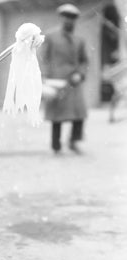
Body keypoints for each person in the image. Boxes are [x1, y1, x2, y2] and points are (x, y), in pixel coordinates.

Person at [42, 4, 89, 154]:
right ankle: (56, 145)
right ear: (61, 17)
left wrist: (80, 74)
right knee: (57, 115)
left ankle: (74, 142)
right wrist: (45, 77)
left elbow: (84, 61)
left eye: (73, 18)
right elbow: (44, 58)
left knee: (79, 113)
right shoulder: (51, 36)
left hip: (74, 82)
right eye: (66, 17)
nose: (69, 20)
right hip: (56, 81)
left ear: (75, 20)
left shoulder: (79, 40)